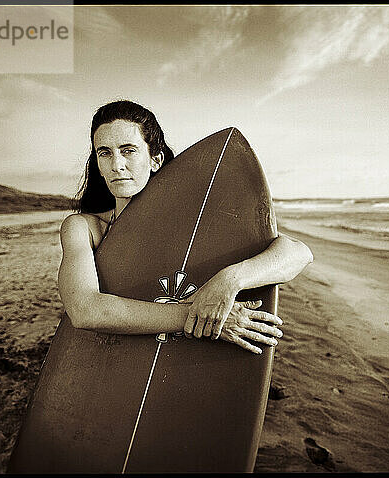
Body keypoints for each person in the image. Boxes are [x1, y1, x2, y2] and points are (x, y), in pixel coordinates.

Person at [57, 100, 313, 354]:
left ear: (155, 160)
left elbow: (298, 253)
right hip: (121, 362)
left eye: (128, 150)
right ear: (98, 164)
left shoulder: (192, 224)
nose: (117, 165)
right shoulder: (84, 227)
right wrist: (205, 316)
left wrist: (228, 281)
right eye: (105, 153)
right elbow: (85, 310)